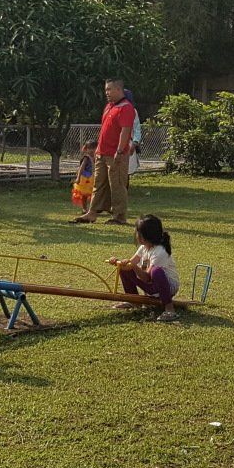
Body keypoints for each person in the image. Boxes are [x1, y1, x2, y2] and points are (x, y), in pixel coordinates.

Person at [74, 79, 137, 225]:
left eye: (109, 89)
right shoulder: (109, 106)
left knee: (117, 184)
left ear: (119, 90)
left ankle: (119, 216)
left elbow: (125, 131)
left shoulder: (126, 107)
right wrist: (97, 151)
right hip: (101, 153)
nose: (106, 93)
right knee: (98, 184)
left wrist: (120, 150)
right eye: (106, 90)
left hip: (116, 154)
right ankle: (92, 213)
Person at [108, 213, 181, 321]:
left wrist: (133, 266)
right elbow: (129, 266)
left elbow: (147, 277)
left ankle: (169, 309)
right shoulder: (143, 248)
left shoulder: (160, 252)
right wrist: (118, 263)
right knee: (124, 270)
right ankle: (133, 301)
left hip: (166, 286)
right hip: (151, 286)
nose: (136, 235)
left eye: (138, 232)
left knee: (156, 271)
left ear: (144, 236)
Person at [70, 140, 97, 212]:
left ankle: (92, 209)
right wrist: (78, 178)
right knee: (84, 195)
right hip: (85, 178)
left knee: (93, 194)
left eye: (94, 148)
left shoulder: (97, 157)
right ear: (86, 149)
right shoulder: (86, 158)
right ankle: (84, 208)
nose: (92, 150)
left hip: (93, 177)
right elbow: (81, 168)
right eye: (89, 148)